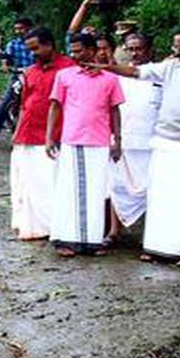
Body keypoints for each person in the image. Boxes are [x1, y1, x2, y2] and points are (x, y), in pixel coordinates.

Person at [97, 26, 180, 267]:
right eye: (174, 46)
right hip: (164, 143)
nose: (175, 51)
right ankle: (158, 248)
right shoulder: (170, 67)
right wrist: (106, 68)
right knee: (161, 199)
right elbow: (136, 72)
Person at [45, 34, 124, 256]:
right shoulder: (65, 75)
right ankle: (65, 239)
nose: (74, 55)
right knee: (69, 190)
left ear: (92, 51)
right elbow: (55, 107)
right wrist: (49, 137)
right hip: (73, 140)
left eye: (79, 51)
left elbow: (115, 110)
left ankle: (92, 240)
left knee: (96, 191)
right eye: (72, 51)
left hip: (99, 141)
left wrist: (118, 139)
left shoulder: (109, 78)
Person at [10, 27, 76, 240]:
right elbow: (23, 105)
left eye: (36, 48)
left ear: (49, 44)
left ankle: (54, 227)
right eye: (30, 49)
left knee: (50, 184)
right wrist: (17, 131)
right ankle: (31, 226)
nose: (33, 53)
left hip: (53, 136)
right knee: (26, 184)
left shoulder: (69, 68)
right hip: (26, 133)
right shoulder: (30, 71)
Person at [107, 31, 159, 240]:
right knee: (116, 185)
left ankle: (151, 233)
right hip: (124, 138)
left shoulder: (160, 74)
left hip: (150, 140)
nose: (135, 53)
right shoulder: (119, 76)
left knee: (151, 188)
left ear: (149, 50)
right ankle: (114, 230)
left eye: (139, 49)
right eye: (131, 49)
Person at [0, 17, 36, 148]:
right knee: (5, 104)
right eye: (16, 29)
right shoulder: (13, 44)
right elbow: (6, 57)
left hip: (35, 78)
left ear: (29, 28)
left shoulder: (37, 44)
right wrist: (4, 64)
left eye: (21, 28)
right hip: (17, 77)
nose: (18, 31)